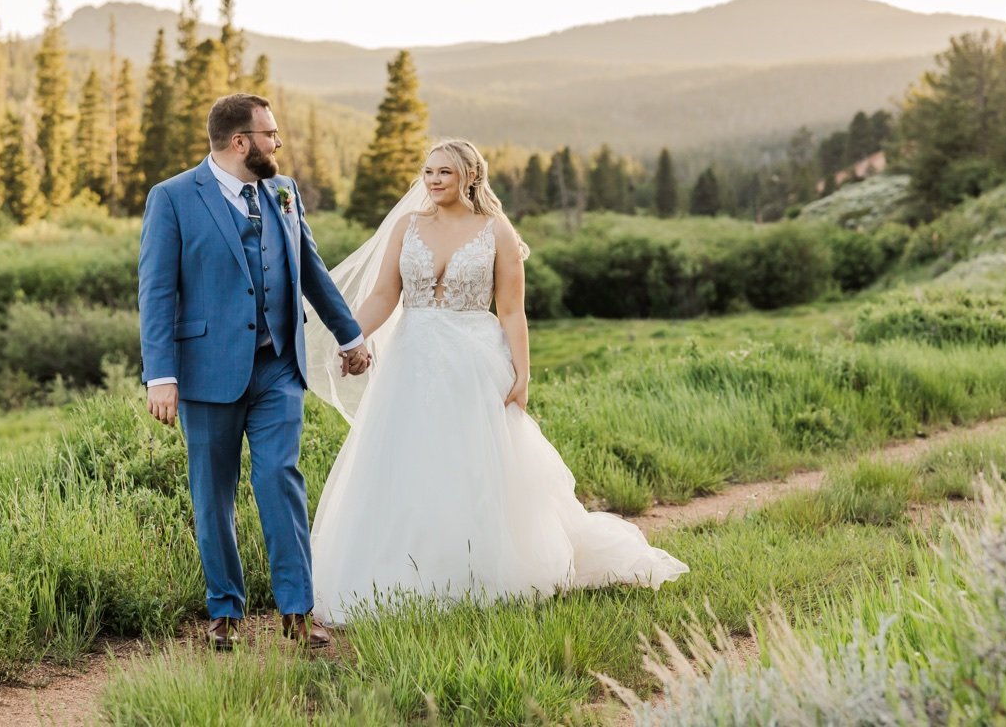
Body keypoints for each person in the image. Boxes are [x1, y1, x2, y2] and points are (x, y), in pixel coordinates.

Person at [306, 139, 688, 625]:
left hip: (473, 360)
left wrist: (522, 373)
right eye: (428, 172)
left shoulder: (496, 231)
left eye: (444, 172)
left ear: (470, 177)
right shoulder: (407, 226)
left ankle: (476, 571)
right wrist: (351, 339)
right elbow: (384, 294)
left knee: (473, 464)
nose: (434, 180)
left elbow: (511, 309)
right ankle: (399, 572)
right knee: (406, 459)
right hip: (411, 360)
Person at [139, 93, 371, 651]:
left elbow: (310, 271)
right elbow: (156, 290)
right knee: (211, 492)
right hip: (205, 372)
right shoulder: (171, 198)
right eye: (270, 135)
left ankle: (297, 611)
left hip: (277, 369)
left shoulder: (284, 193)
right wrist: (160, 375)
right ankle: (225, 611)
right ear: (240, 141)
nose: (277, 143)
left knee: (279, 481)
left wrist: (351, 334)